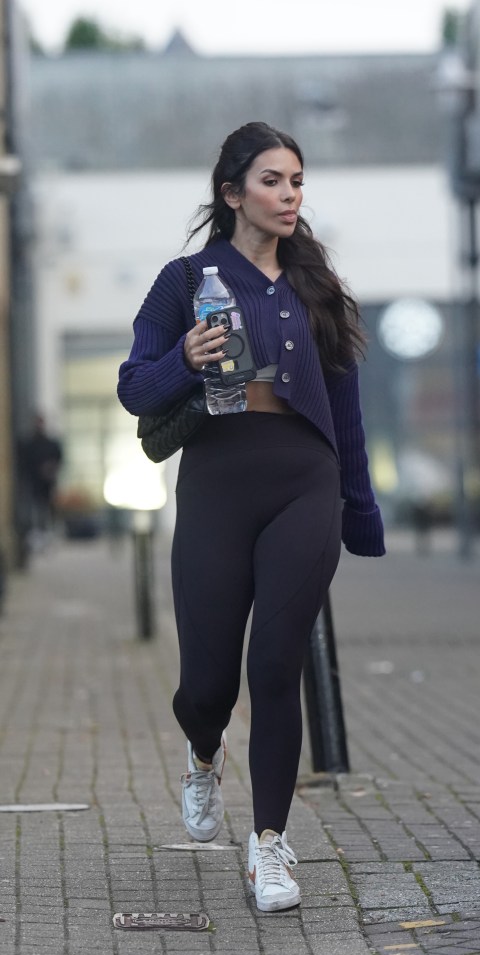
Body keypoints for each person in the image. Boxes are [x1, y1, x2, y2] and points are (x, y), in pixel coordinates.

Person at [118, 121, 385, 912]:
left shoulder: (317, 289)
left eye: (297, 181)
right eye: (272, 181)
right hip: (217, 479)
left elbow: (346, 413)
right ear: (232, 193)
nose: (289, 195)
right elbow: (136, 387)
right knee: (207, 682)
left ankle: (268, 844)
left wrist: (357, 511)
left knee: (275, 663)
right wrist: (184, 362)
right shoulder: (183, 279)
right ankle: (204, 752)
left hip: (304, 478)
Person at [19, 413, 63, 548]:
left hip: (47, 484)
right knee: (35, 510)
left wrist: (51, 468)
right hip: (33, 484)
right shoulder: (30, 443)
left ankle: (48, 534)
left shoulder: (50, 443)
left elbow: (59, 458)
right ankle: (37, 535)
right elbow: (24, 463)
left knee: (48, 510)